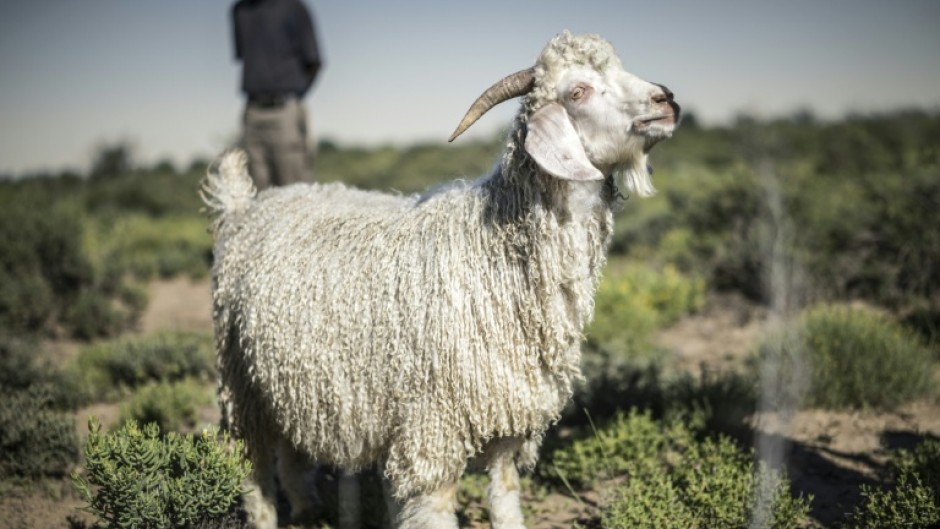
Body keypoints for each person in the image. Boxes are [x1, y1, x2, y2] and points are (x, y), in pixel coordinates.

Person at [232, 0, 323, 188]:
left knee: (296, 189)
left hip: (284, 109)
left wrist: (294, 96)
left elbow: (314, 62)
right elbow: (245, 55)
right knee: (255, 190)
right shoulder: (239, 11)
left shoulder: (293, 7)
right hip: (252, 111)